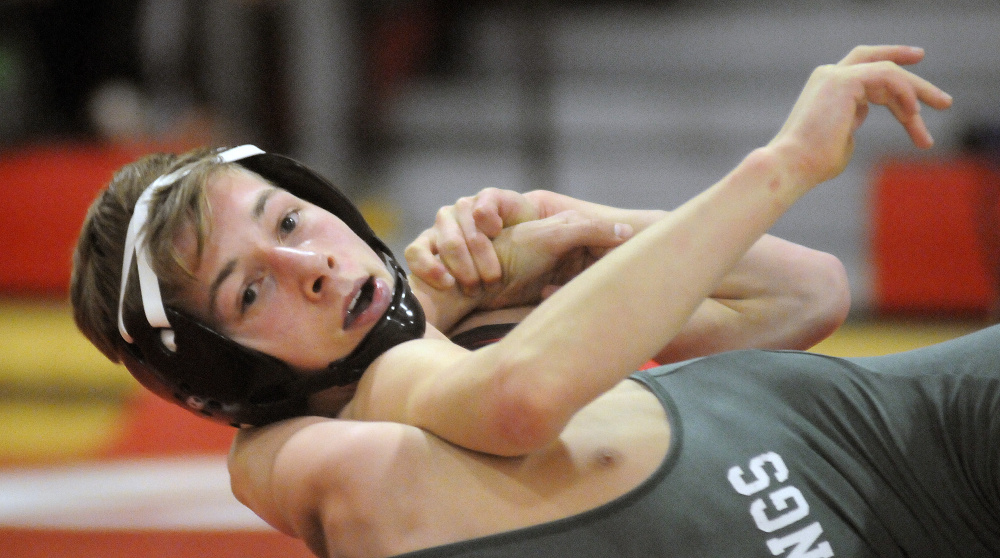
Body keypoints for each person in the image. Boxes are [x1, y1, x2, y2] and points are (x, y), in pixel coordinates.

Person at [67, 45, 975, 558]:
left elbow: (802, 295)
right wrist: (781, 166)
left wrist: (574, 228)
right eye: (251, 288)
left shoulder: (465, 303)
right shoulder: (295, 458)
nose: (308, 263)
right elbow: (516, 400)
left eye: (292, 220)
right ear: (216, 369)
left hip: (889, 437)